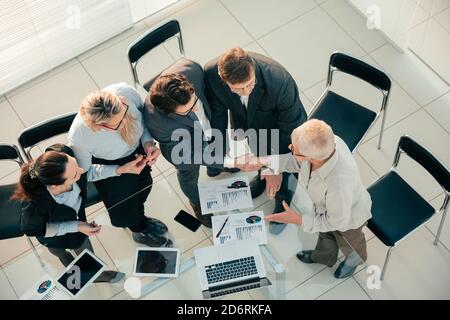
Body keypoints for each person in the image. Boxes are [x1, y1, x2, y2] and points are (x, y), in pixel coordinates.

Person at [204, 47, 308, 235]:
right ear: (222, 77)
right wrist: (220, 151)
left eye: (250, 84)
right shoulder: (211, 73)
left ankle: (284, 201)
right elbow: (218, 113)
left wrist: (275, 167)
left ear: (252, 66)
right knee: (258, 152)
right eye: (238, 88)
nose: (245, 92)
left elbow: (291, 132)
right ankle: (262, 179)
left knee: (286, 171)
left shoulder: (280, 82)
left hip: (284, 131)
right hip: (250, 124)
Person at [256, 119, 372, 279]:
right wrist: (265, 162)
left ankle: (354, 261)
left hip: (349, 220)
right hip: (326, 209)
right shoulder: (328, 145)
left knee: (350, 243)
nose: (290, 149)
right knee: (325, 235)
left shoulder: (338, 183)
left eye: (293, 149)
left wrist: (298, 219)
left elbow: (337, 222)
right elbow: (295, 162)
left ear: (312, 158)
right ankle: (324, 257)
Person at [68, 83, 171, 247]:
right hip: (110, 167)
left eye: (125, 113)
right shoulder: (80, 136)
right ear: (99, 127)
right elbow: (84, 172)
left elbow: (143, 120)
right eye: (118, 124)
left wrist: (147, 142)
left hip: (137, 150)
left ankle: (140, 217)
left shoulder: (126, 93)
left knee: (145, 185)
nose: (126, 121)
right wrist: (120, 170)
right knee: (126, 207)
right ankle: (138, 228)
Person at [11, 144, 128, 282]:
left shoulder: (65, 157)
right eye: (75, 174)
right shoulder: (35, 204)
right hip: (53, 237)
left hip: (77, 228)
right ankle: (67, 260)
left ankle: (95, 274)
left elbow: (88, 173)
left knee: (85, 251)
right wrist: (76, 226)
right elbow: (37, 230)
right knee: (59, 252)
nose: (81, 170)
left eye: (76, 164)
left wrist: (120, 169)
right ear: (55, 185)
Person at [144, 59, 238, 228]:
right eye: (187, 110)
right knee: (188, 177)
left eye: (194, 101)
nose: (195, 108)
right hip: (186, 147)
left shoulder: (192, 69)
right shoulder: (155, 121)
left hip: (210, 127)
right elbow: (180, 155)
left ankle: (215, 169)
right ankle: (197, 202)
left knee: (219, 149)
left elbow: (211, 95)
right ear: (169, 112)